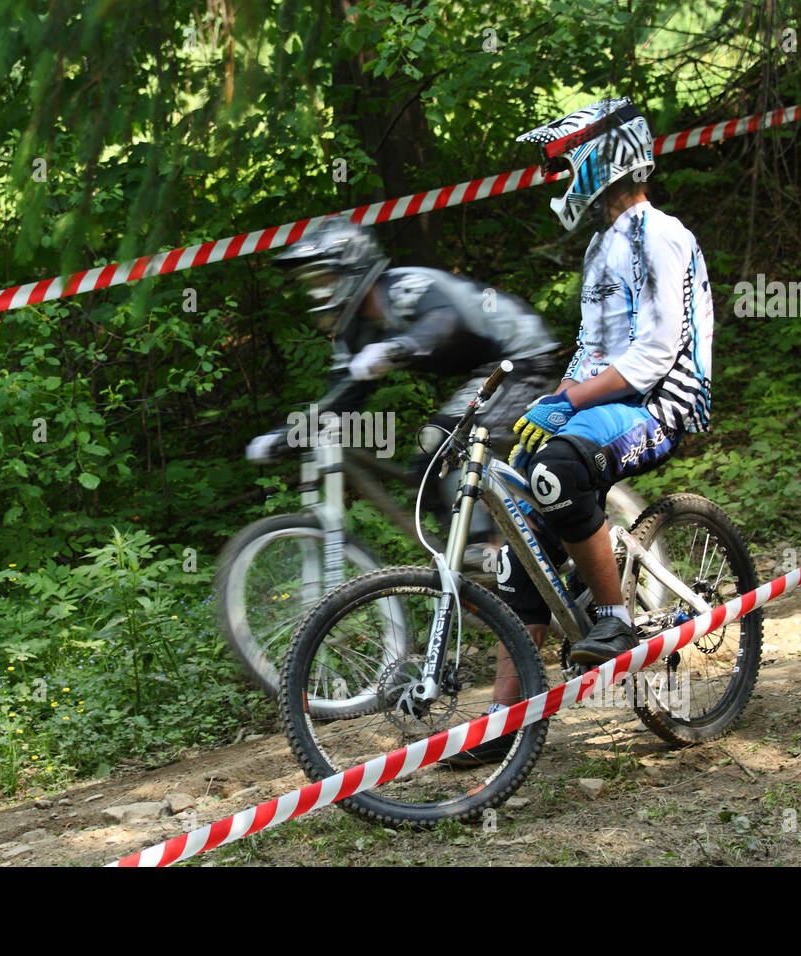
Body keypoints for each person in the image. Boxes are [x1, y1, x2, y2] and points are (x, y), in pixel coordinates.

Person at [454, 97, 715, 765]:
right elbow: (592, 348)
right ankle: (502, 727)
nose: (563, 176)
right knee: (520, 537)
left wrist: (570, 400)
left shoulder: (662, 235)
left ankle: (617, 620)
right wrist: (551, 403)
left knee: (559, 473)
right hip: (607, 404)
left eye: (569, 161)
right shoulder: (603, 246)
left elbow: (654, 355)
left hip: (661, 405)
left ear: (608, 157)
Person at [246, 217, 562, 541]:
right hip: (486, 369)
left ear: (353, 269)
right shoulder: (354, 332)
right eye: (312, 285)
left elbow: (445, 322)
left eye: (325, 280)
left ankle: (486, 550)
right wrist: (285, 436)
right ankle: (474, 563)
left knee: (451, 445)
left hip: (521, 357)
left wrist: (398, 346)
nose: (319, 292)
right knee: (425, 470)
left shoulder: (403, 286)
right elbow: (340, 399)